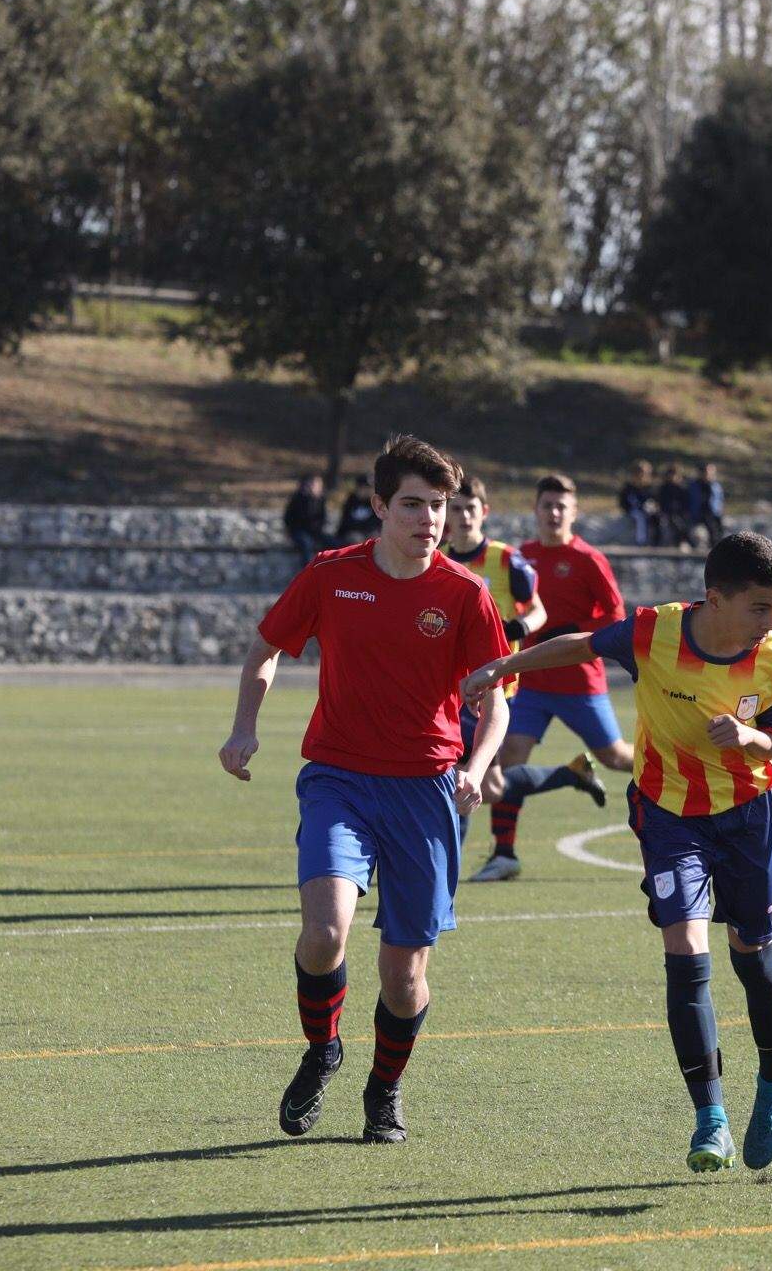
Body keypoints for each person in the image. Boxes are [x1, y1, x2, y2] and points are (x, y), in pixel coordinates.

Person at [462, 531, 772, 1173]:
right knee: (685, 946)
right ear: (715, 598)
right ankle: (710, 1119)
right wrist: (502, 667)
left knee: (751, 955)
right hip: (668, 813)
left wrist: (748, 736)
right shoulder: (656, 632)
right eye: (762, 607)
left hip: (744, 817)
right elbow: (582, 644)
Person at [218, 435, 512, 1146]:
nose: (430, 519)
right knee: (324, 936)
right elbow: (267, 649)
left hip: (427, 791)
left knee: (404, 976)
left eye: (439, 506)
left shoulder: (466, 595)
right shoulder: (331, 574)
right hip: (339, 780)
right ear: (379, 506)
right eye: (413, 504)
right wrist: (243, 728)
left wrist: (477, 766)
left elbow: (496, 698)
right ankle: (323, 1049)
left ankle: (385, 1089)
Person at [473, 474, 636, 881]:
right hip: (530, 681)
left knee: (615, 757)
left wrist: (571, 630)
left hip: (580, 681)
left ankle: (674, 759)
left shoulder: (588, 559)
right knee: (509, 760)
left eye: (562, 506)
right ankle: (504, 853)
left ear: (574, 513)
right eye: (547, 505)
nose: (554, 513)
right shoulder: (520, 557)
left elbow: (616, 617)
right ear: (536, 509)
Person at [442, 474, 607, 866]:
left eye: (470, 509)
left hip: (496, 690)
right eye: (455, 509)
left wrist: (516, 628)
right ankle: (571, 774)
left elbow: (538, 611)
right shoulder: (438, 559)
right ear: (446, 514)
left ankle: (444, 871)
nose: (464, 516)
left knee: (467, 778)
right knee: (487, 783)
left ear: (483, 512)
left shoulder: (504, 559)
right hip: (450, 687)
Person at [282, 472, 331, 567]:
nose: (317, 487)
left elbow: (322, 517)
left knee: (332, 542)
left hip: (315, 531)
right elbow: (289, 518)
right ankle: (308, 569)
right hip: (299, 531)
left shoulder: (321, 499)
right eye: (314, 484)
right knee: (306, 544)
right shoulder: (298, 498)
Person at [619, 461, 659, 546]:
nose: (642, 476)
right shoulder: (628, 488)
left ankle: (656, 542)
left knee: (657, 517)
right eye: (640, 473)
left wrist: (652, 507)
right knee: (640, 517)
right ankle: (641, 542)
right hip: (634, 511)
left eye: (645, 474)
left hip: (647, 510)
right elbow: (623, 503)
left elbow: (654, 501)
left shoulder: (650, 488)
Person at [687, 462, 727, 546]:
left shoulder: (716, 486)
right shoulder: (693, 486)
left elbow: (720, 499)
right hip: (698, 515)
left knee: (716, 536)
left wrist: (720, 510)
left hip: (714, 514)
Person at [335, 475, 380, 545]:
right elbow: (346, 522)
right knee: (357, 539)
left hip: (368, 532)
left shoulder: (375, 502)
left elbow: (377, 522)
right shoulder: (351, 501)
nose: (366, 491)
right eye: (364, 488)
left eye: (369, 488)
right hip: (351, 533)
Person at [657, 464, 691, 548]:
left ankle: (683, 542)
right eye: (671, 474)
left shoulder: (681, 489)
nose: (673, 477)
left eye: (675, 474)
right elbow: (660, 502)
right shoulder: (663, 488)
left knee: (681, 523)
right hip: (666, 513)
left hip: (679, 513)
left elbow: (685, 503)